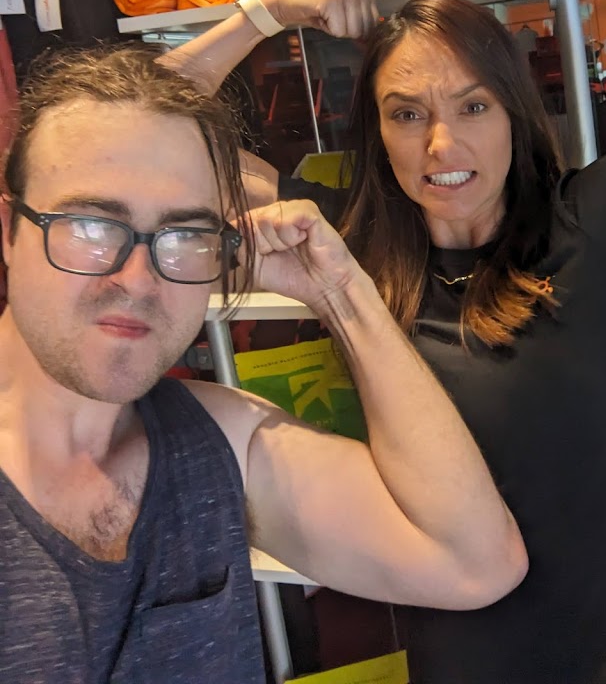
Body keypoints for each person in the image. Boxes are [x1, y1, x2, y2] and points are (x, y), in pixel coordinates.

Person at [166, 0, 606, 684]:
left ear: (514, 112)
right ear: (378, 131)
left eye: (473, 106)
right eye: (406, 114)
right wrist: (269, 11)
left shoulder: (605, 218)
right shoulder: (348, 249)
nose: (441, 146)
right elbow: (142, 134)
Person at [0, 38, 529, 683]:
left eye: (185, 235)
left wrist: (342, 293)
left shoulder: (219, 440)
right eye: (90, 227)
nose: (138, 280)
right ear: (8, 232)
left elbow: (475, 564)